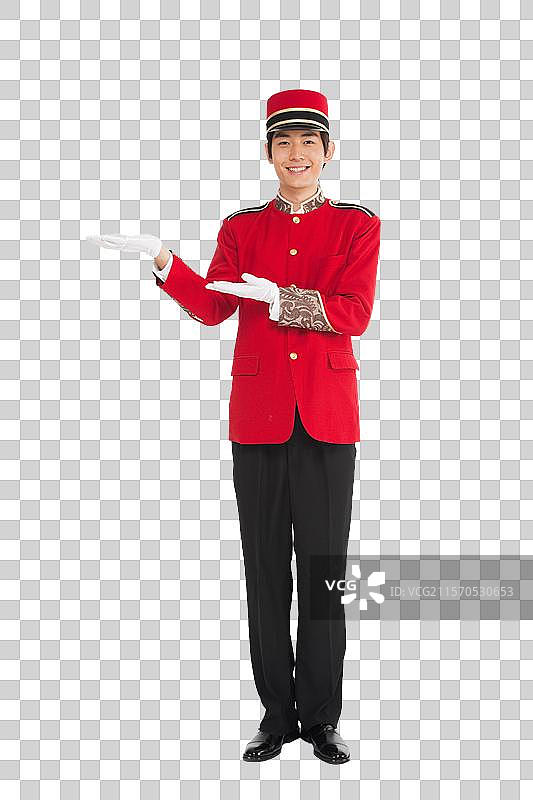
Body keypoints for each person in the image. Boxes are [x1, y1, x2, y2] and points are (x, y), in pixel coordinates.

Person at [85, 88, 381, 764]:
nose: (296, 153)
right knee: (264, 571)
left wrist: (281, 299)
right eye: (284, 142)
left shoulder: (357, 224)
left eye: (309, 142)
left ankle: (322, 720)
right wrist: (165, 262)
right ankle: (276, 717)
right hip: (259, 417)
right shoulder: (242, 227)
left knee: (324, 574)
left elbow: (354, 312)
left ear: (329, 150)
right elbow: (215, 307)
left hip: (327, 416)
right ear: (268, 152)